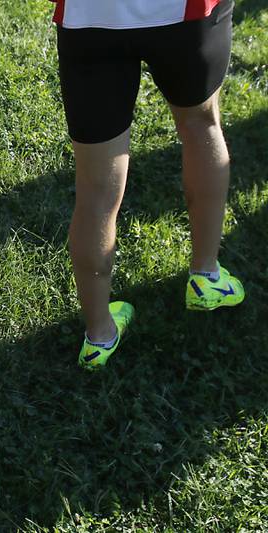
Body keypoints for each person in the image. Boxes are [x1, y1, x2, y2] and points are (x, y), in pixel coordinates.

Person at [51, 0, 244, 369]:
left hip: (90, 18)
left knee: (96, 187)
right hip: (185, 15)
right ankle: (207, 276)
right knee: (202, 125)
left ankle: (99, 336)